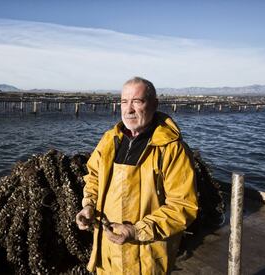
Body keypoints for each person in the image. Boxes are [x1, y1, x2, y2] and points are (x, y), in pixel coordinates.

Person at [76, 77, 198, 274]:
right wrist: (88, 205)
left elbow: (183, 206)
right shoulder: (109, 139)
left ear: (154, 104)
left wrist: (136, 230)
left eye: (137, 101)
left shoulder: (172, 150)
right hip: (107, 252)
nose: (129, 109)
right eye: (124, 102)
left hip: (146, 256)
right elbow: (94, 176)